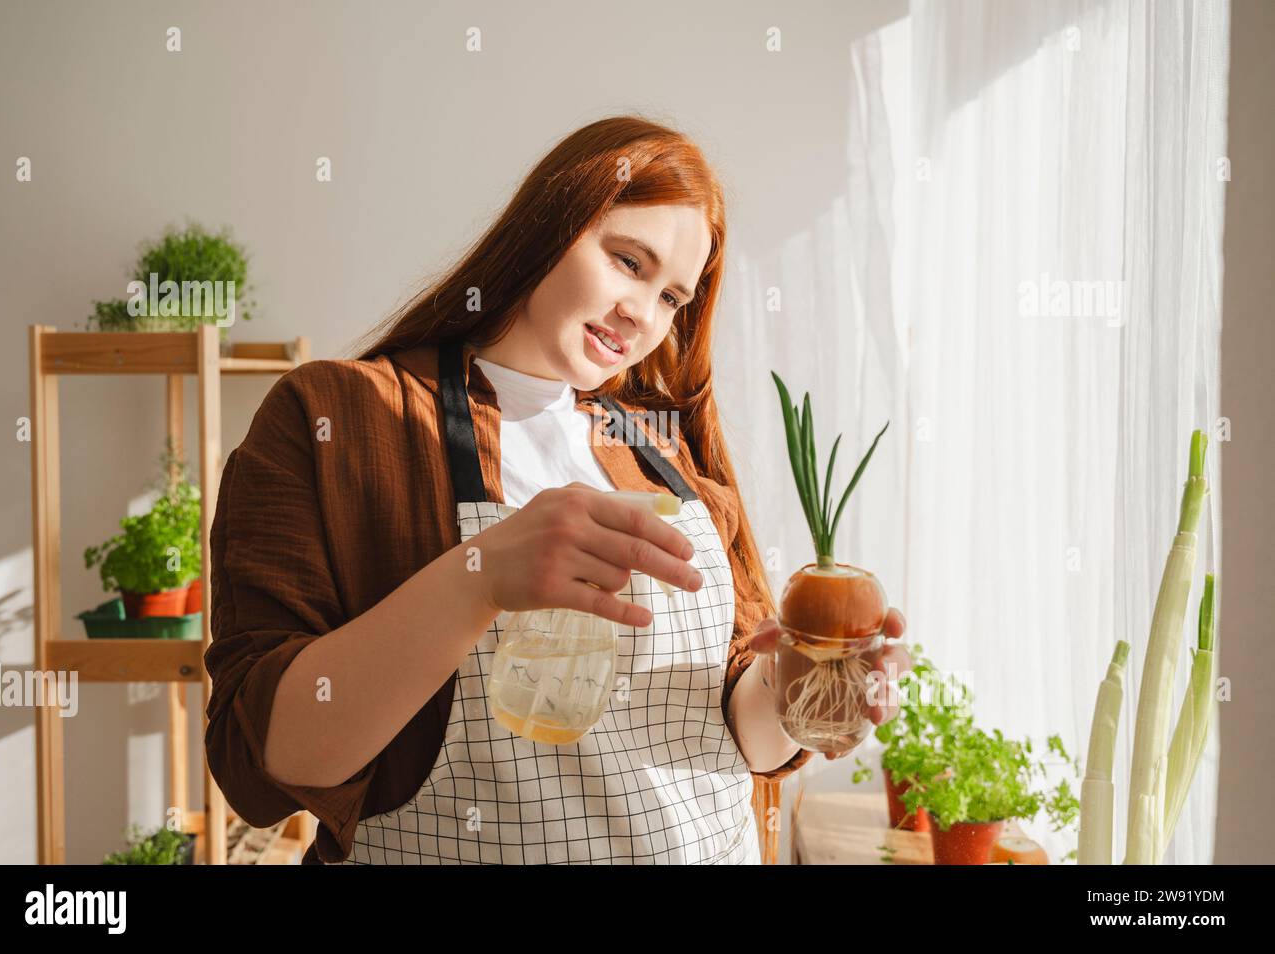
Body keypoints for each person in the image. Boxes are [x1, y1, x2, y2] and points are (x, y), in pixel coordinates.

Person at [204, 115, 910, 865]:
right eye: (628, 262)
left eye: (673, 297)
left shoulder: (659, 447)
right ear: (551, 224)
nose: (643, 315)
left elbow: (734, 734)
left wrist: (798, 687)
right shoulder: (341, 419)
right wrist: (479, 579)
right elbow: (266, 762)